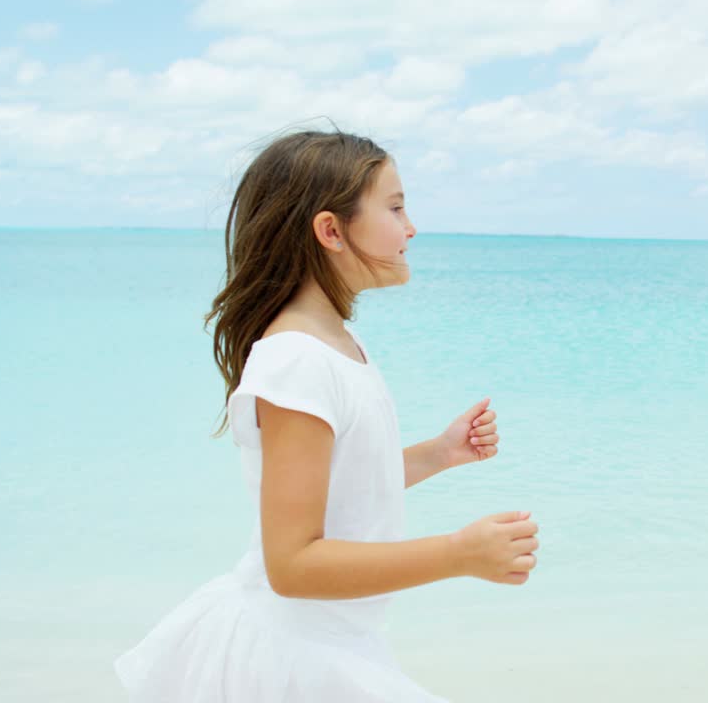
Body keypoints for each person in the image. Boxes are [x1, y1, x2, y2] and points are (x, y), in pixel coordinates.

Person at [115, 130, 539, 702]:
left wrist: (440, 453)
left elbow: (349, 481)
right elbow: (292, 564)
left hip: (334, 642)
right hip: (291, 652)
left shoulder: (335, 343)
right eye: (395, 207)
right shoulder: (295, 360)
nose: (411, 227)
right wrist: (458, 554)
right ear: (330, 230)